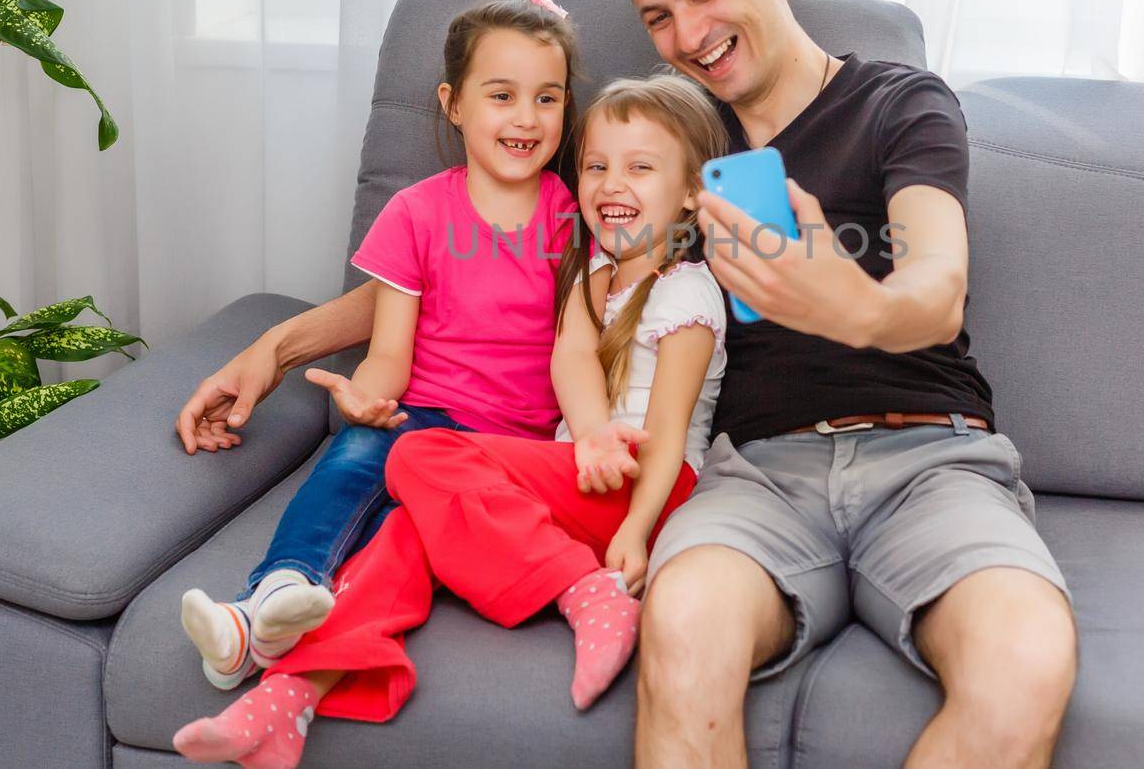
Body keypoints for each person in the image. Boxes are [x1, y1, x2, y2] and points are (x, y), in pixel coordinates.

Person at [177, 0, 1077, 768]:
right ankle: (298, 674)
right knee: (681, 644)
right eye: (657, 16)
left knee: (1025, 665)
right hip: (752, 476)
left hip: (926, 452)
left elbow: (938, 284)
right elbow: (462, 270)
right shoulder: (664, 144)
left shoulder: (895, 102)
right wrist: (277, 347)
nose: (688, 36)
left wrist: (857, 304)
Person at [172, 76, 731, 769]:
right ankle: (285, 701)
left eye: (640, 168)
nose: (612, 183)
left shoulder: (687, 293)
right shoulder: (592, 273)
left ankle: (585, 592)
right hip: (578, 481)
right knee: (407, 530)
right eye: (596, 165)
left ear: (689, 194)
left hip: (647, 485)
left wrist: (637, 534)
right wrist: (587, 434)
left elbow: (672, 436)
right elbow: (574, 357)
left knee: (419, 457)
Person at [173, 0, 623, 690]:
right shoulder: (417, 214)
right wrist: (363, 401)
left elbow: (574, 350)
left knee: (410, 530)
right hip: (418, 415)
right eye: (501, 95)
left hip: (508, 443)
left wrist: (592, 431)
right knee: (354, 458)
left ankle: (298, 642)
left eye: (548, 97)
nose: (527, 118)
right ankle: (267, 600)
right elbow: (389, 352)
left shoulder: (571, 217)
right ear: (453, 103)